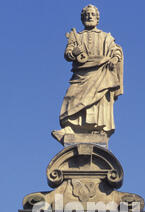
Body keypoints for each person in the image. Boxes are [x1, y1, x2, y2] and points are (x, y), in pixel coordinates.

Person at [52, 5, 123, 143]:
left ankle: (97, 128)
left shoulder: (106, 37)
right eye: (87, 14)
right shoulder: (76, 37)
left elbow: (116, 51)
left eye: (92, 14)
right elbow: (68, 54)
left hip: (101, 73)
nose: (89, 16)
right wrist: (74, 53)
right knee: (70, 97)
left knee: (98, 101)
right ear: (82, 18)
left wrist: (114, 59)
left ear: (97, 18)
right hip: (81, 75)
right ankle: (70, 127)